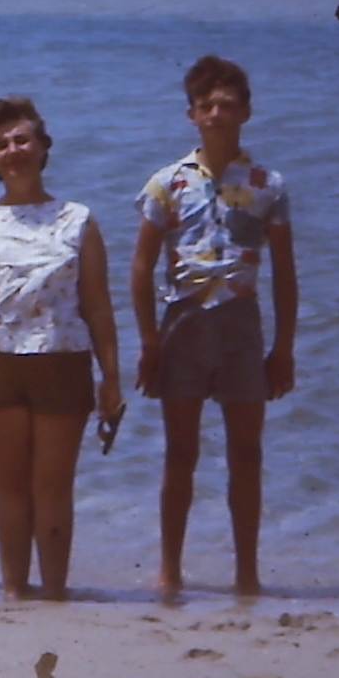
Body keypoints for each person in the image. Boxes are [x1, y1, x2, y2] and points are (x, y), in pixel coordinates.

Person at [0, 97, 122, 600]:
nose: (13, 151)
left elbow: (100, 308)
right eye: (1, 145)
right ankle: (15, 592)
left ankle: (56, 591)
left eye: (22, 140)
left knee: (54, 487)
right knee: (10, 487)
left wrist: (112, 377)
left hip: (62, 362)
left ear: (43, 147)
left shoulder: (78, 220)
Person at [130, 55, 297, 597]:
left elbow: (285, 274)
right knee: (181, 452)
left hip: (241, 325)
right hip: (183, 322)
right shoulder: (167, 184)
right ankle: (169, 570)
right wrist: (149, 342)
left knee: (246, 453)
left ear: (246, 112)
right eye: (207, 106)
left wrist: (283, 348)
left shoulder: (266, 184)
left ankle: (247, 572)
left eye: (228, 105)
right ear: (191, 115)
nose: (218, 114)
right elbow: (140, 267)